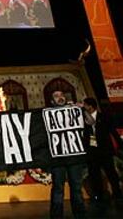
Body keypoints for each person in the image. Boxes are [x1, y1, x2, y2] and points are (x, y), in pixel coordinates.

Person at [49, 90, 86, 219]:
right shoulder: (47, 114)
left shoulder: (74, 110)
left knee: (76, 186)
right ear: (52, 101)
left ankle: (80, 213)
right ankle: (56, 215)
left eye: (61, 95)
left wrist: (83, 110)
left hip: (74, 156)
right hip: (58, 158)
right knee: (58, 187)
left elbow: (91, 122)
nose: (60, 97)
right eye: (56, 96)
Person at [83, 97, 123, 202]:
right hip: (92, 151)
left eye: (85, 105)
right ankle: (98, 195)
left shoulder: (104, 117)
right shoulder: (83, 118)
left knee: (111, 172)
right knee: (94, 174)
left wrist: (120, 145)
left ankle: (117, 193)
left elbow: (113, 131)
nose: (84, 107)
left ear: (90, 106)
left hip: (105, 150)